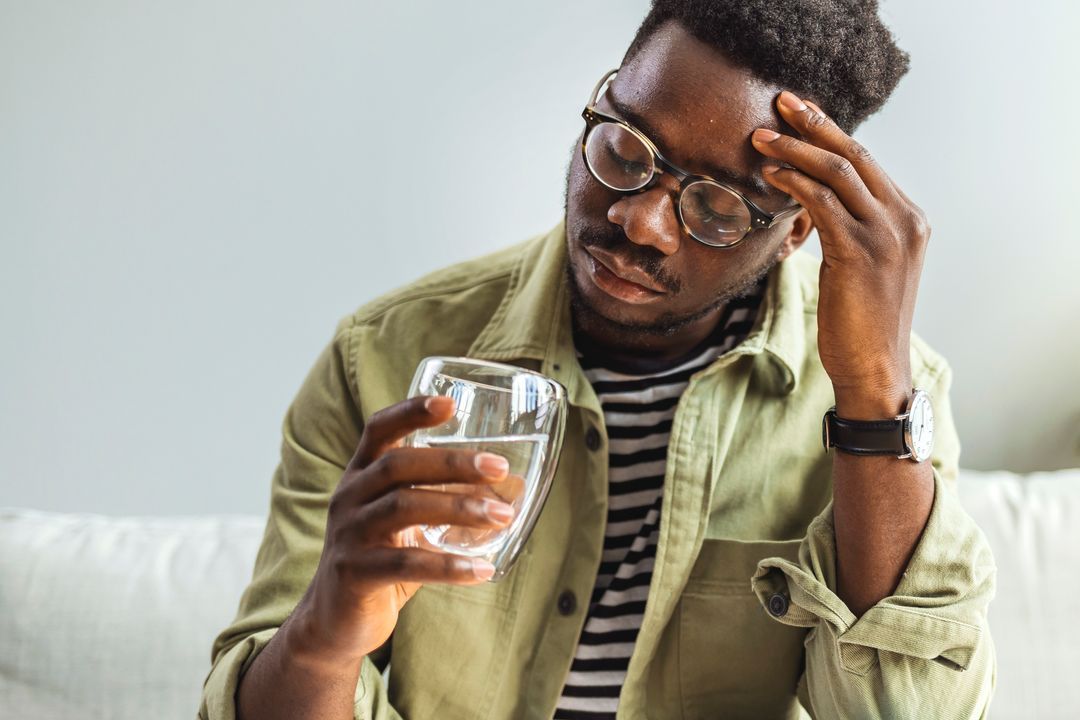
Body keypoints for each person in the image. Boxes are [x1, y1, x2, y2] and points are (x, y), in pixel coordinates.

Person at [199, 1, 996, 718]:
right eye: (626, 149)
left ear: (795, 232)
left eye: (716, 205)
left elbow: (907, 713)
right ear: (597, 104)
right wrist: (323, 636)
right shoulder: (381, 359)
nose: (641, 222)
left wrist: (872, 392)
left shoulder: (881, 402)